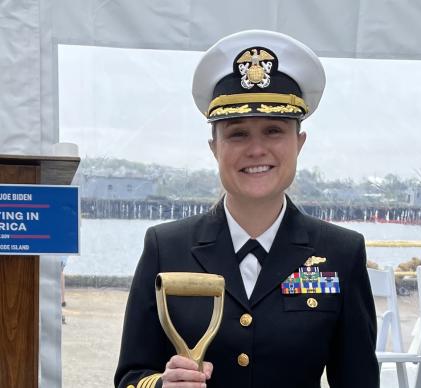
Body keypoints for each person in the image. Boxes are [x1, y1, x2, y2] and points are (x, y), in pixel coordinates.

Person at [115, 30, 379, 388]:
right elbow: (130, 377)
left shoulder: (340, 253)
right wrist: (164, 384)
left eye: (274, 130)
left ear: (299, 143)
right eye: (237, 134)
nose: (257, 150)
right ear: (214, 147)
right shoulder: (166, 248)